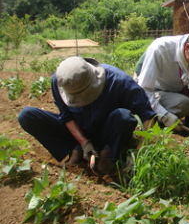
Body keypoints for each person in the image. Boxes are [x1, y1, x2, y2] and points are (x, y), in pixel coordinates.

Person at [18, 56, 156, 174]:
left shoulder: (118, 81)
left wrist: (138, 154)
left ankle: (108, 154)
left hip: (108, 132)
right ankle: (74, 150)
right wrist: (84, 143)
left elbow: (147, 117)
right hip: (79, 131)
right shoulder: (61, 82)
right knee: (27, 116)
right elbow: (66, 116)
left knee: (123, 116)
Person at [136, 29, 189, 134]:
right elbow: (143, 90)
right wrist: (164, 115)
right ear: (187, 48)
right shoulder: (160, 49)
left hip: (179, 87)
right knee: (182, 104)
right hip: (156, 91)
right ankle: (157, 125)